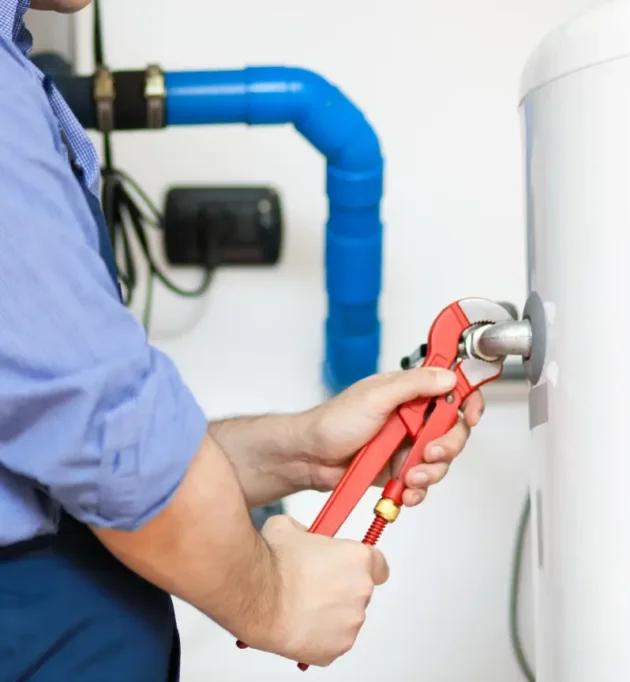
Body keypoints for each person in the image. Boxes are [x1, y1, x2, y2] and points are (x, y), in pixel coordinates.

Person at [0, 0, 487, 679]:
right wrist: (275, 597)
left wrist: (302, 448)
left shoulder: (18, 79)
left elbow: (53, 456)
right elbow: (105, 439)